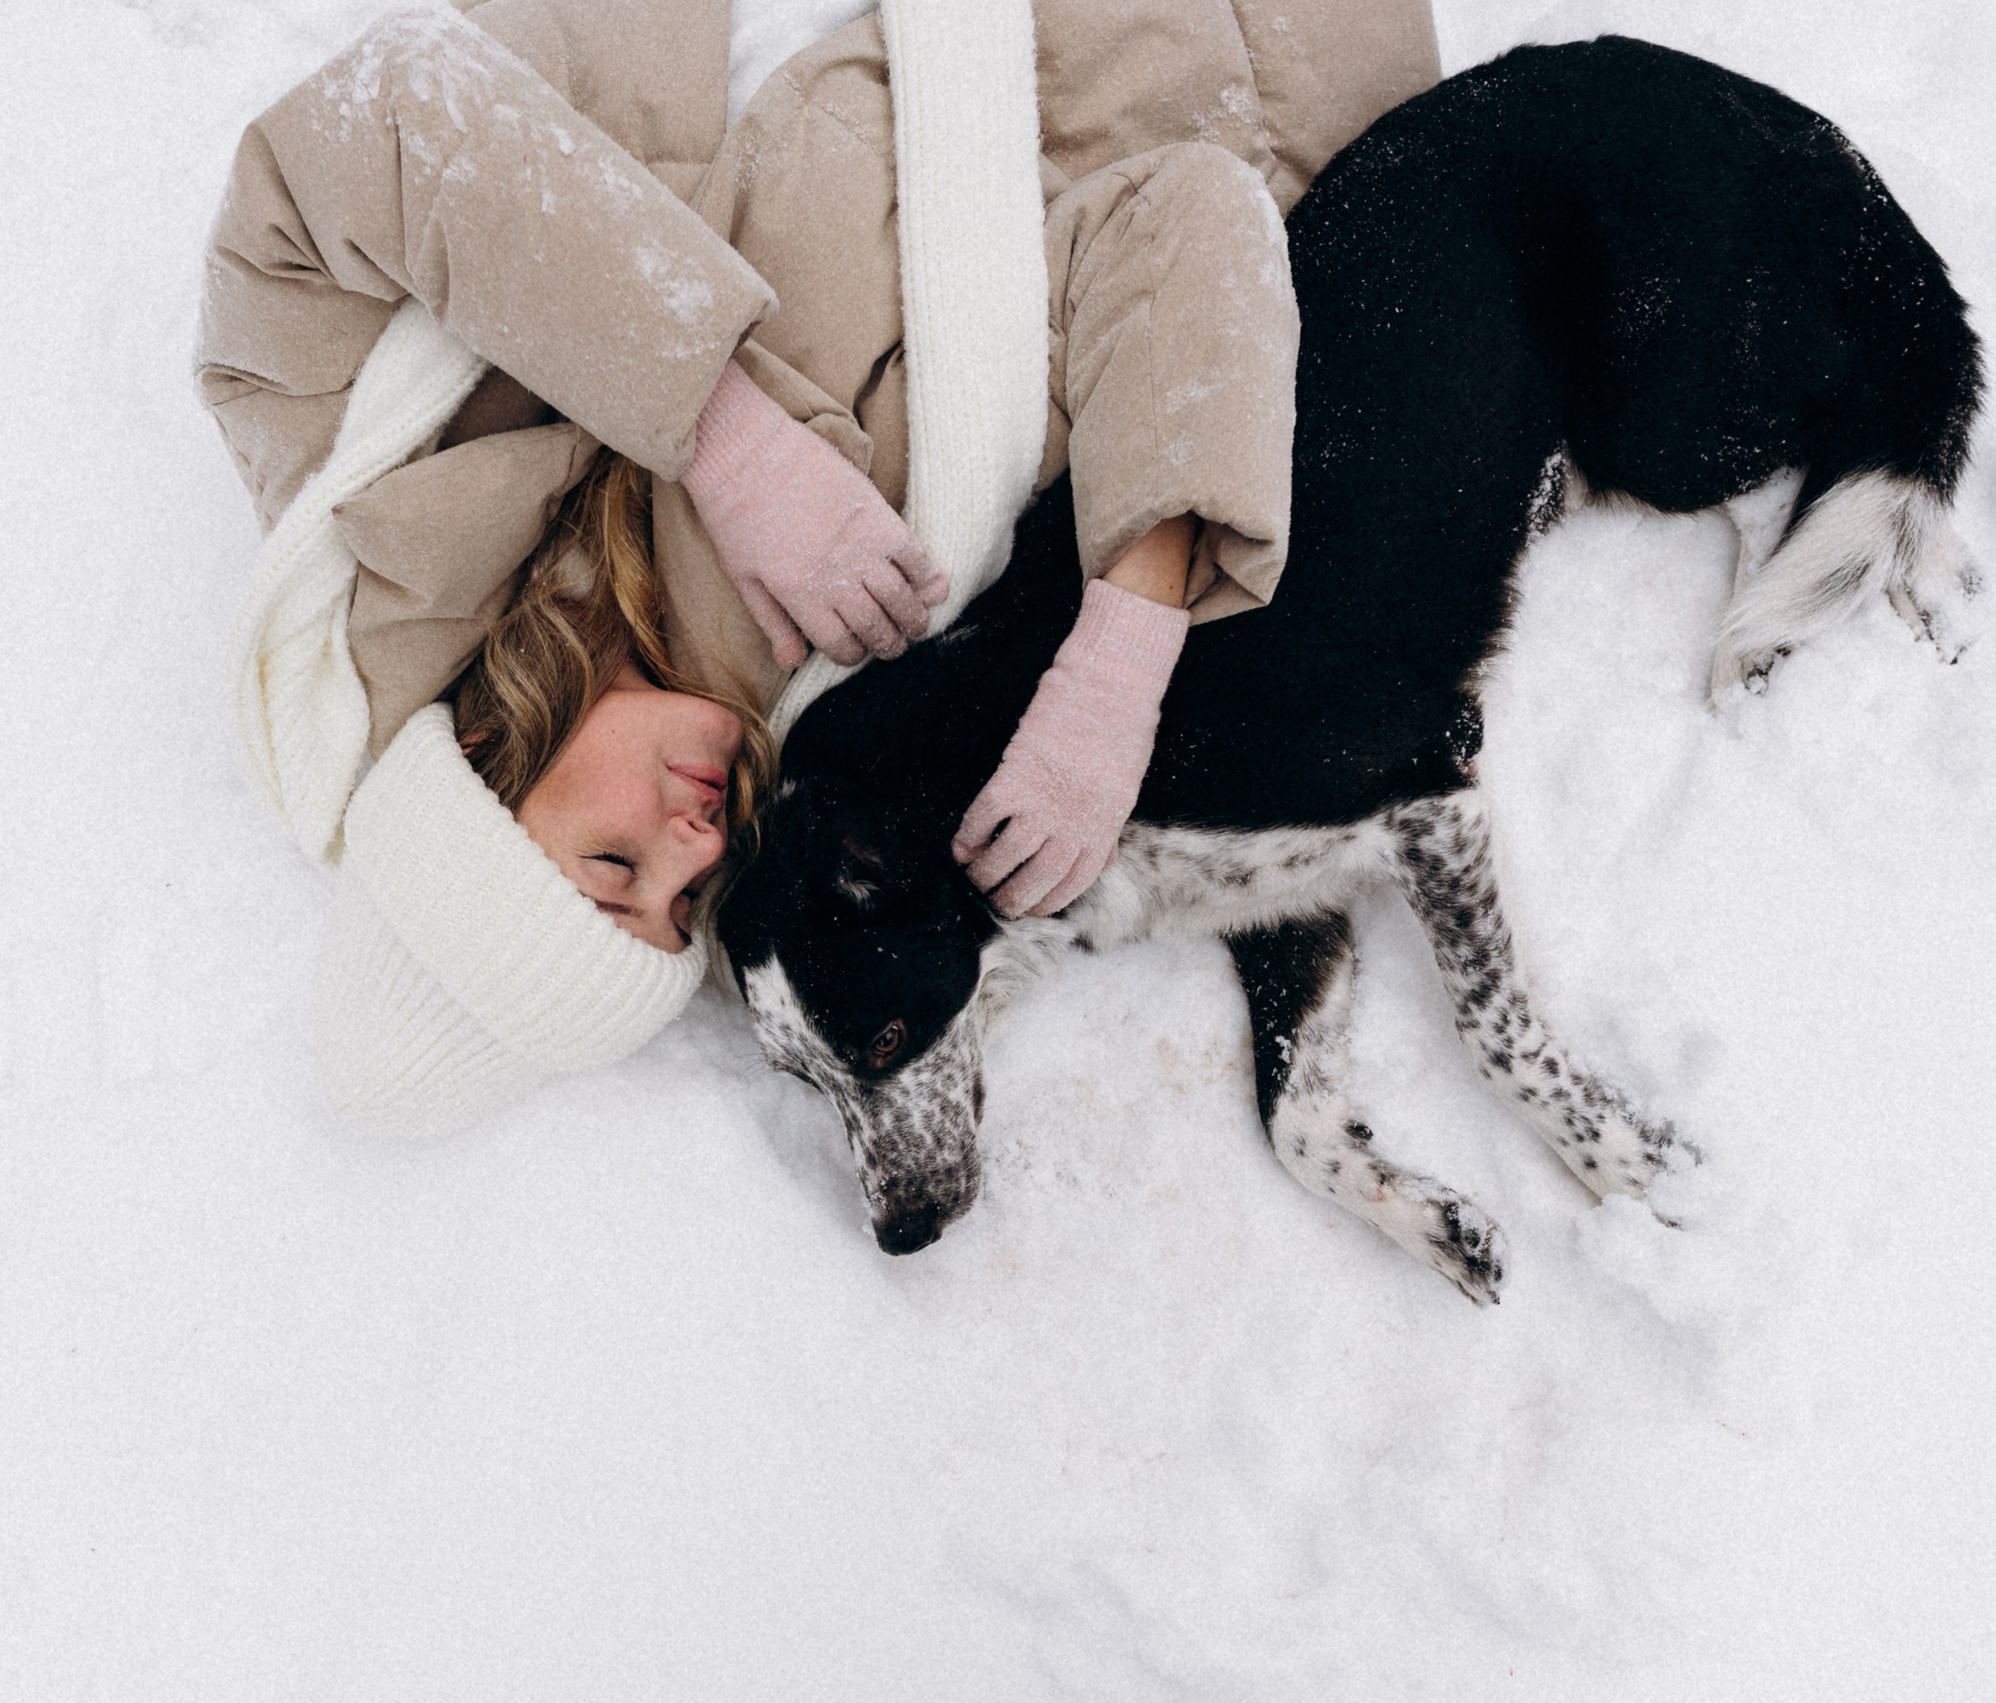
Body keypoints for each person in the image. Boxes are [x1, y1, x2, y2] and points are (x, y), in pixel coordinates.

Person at [197, 0, 1439, 1131]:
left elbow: (393, 115)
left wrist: (719, 431)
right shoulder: (856, 690)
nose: (693, 846)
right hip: (1256, 90)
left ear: (481, 770)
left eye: (613, 866)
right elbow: (1188, 217)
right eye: (680, 908)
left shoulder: (376, 525)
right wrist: (1125, 646)